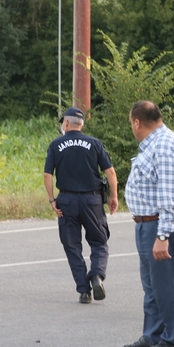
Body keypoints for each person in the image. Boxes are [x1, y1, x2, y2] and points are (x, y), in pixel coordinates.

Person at [121, 101, 174, 347]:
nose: (132, 127)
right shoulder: (155, 143)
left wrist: (163, 235)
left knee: (168, 283)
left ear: (137, 122)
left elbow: (169, 195)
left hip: (161, 223)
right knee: (152, 284)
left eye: (131, 123)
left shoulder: (163, 146)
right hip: (148, 223)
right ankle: (152, 335)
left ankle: (171, 340)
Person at [44, 107, 118, 304]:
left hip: (66, 201)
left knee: (72, 246)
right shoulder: (94, 143)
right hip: (92, 201)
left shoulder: (56, 145)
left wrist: (52, 199)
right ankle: (96, 275)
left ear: (66, 124)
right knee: (99, 242)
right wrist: (114, 197)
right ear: (82, 124)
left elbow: (47, 175)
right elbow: (110, 172)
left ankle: (84, 291)